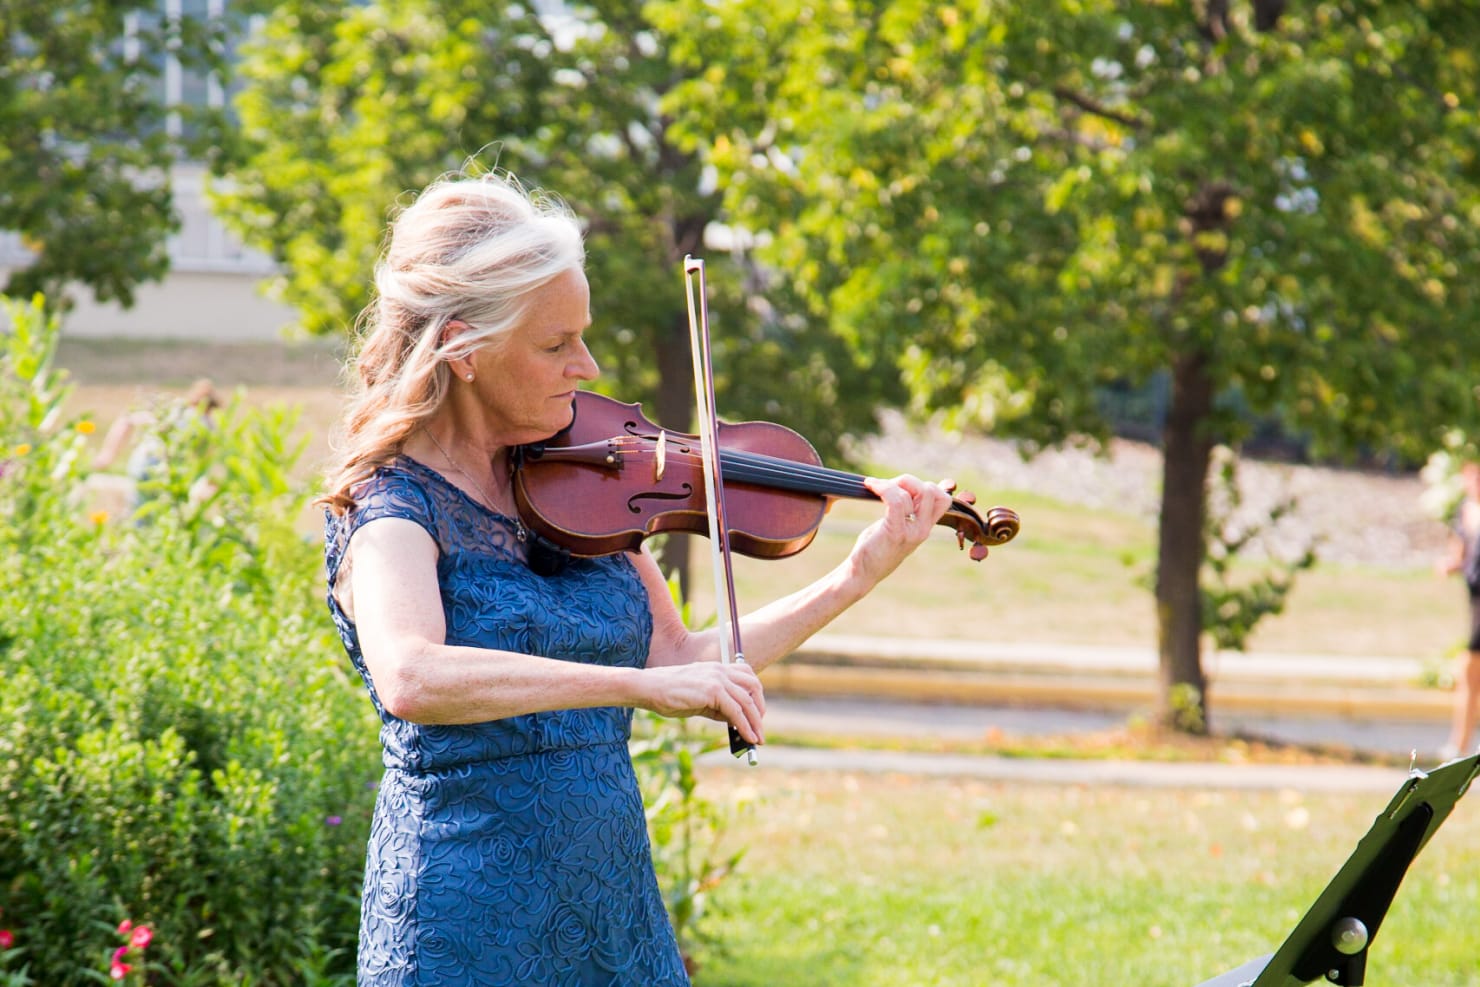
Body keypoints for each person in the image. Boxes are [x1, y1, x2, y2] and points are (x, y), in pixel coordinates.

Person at [319, 169, 953, 985]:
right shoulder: (392, 506)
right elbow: (412, 675)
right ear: (464, 348)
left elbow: (682, 658)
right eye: (554, 344)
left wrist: (853, 576)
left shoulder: (573, 487)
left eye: (582, 335)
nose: (584, 366)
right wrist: (631, 686)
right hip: (464, 925)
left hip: (612, 911)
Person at [91, 377, 222, 512]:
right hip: (166, 473)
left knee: (139, 512)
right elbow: (208, 459)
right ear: (210, 407)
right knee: (164, 513)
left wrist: (107, 454)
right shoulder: (206, 424)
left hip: (141, 463)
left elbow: (127, 419)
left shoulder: (170, 407)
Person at [1438, 459, 1480, 761]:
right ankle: (1460, 743)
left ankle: (1461, 743)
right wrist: (1449, 565)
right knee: (1469, 672)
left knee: (1469, 668)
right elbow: (1460, 555)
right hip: (1475, 597)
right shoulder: (1466, 512)